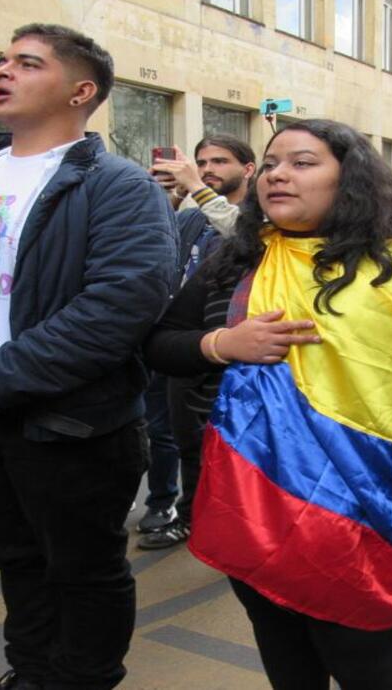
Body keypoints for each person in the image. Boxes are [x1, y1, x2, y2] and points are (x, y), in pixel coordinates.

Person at [169, 119, 392, 689]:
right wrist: (220, 344)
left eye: (303, 162)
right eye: (271, 163)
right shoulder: (239, 259)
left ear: (351, 180)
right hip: (249, 493)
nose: (279, 174)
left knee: (358, 644)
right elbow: (160, 346)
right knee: (278, 639)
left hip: (361, 504)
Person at [0, 23, 177, 690]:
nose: (3, 71)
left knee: (85, 572)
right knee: (16, 564)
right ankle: (30, 673)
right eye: (3, 59)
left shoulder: (116, 185)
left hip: (70, 427)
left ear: (81, 91)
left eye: (28, 62)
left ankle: (79, 680)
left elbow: (121, 303)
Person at [135, 134, 254, 550]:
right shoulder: (193, 217)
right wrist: (166, 197)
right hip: (176, 340)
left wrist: (199, 191)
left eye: (220, 161)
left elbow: (248, 240)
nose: (207, 170)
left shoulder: (261, 217)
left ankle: (211, 519)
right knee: (166, 431)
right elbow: (154, 245)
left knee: (215, 444)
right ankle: (166, 504)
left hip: (228, 348)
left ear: (249, 170)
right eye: (201, 162)